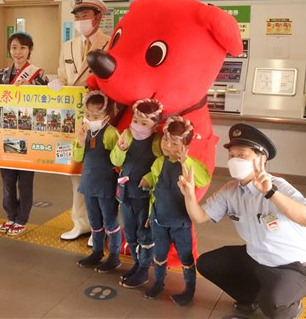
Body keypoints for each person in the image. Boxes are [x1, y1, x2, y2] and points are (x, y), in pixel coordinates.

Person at [178, 123, 306, 319]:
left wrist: (270, 193)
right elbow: (200, 217)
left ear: (260, 159)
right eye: (232, 155)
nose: (234, 160)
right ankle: (250, 297)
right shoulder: (230, 190)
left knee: (275, 304)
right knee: (207, 263)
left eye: (242, 155)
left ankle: (291, 307)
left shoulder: (278, 186)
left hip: (294, 267)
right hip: (256, 259)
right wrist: (189, 195)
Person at [51, 0, 112, 242]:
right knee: (76, 173)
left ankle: (103, 227)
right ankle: (81, 223)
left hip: (102, 118)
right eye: (76, 16)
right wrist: (57, 84)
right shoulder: (68, 46)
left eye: (84, 15)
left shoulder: (112, 43)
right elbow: (63, 77)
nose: (80, 20)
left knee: (101, 174)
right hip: (75, 120)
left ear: (98, 17)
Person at [139, 117, 210, 304]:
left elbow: (203, 180)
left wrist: (186, 161)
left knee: (186, 256)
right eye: (165, 140)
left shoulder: (190, 164)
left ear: (186, 146)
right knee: (159, 254)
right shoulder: (159, 163)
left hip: (181, 222)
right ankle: (158, 282)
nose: (167, 146)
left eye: (174, 142)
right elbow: (155, 189)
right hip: (159, 220)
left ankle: (189, 289)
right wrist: (150, 213)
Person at [0, 31, 49, 236]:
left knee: (24, 179)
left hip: (27, 135)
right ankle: (10, 216)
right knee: (6, 179)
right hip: (5, 133)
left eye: (23, 47)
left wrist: (32, 88)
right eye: (14, 47)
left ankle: (22, 218)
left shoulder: (38, 75)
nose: (18, 52)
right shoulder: (0, 75)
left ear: (30, 50)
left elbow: (48, 103)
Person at [110, 99, 163, 289]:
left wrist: (149, 177)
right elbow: (115, 161)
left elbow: (162, 167)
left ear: (155, 126)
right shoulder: (127, 135)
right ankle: (136, 263)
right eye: (135, 120)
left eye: (144, 123)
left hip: (144, 197)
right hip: (125, 194)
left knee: (144, 234)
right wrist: (120, 148)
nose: (137, 126)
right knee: (130, 232)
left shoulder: (157, 142)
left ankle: (144, 269)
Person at [72, 91, 121, 273]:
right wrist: (80, 141)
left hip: (106, 185)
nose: (91, 119)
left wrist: (121, 147)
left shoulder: (111, 133)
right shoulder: (85, 132)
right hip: (89, 183)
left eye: (96, 116)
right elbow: (78, 158)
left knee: (110, 222)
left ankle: (114, 256)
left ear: (107, 116)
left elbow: (118, 160)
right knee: (94, 220)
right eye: (88, 115)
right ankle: (97, 252)